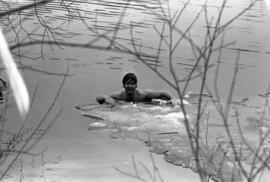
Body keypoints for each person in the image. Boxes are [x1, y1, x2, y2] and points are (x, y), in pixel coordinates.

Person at [96, 72, 175, 106]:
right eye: (128, 83)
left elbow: (163, 93)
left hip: (148, 105)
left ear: (136, 85)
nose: (130, 86)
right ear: (123, 85)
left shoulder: (143, 94)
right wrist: (110, 102)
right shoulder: (120, 95)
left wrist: (173, 99)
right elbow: (100, 98)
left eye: (132, 84)